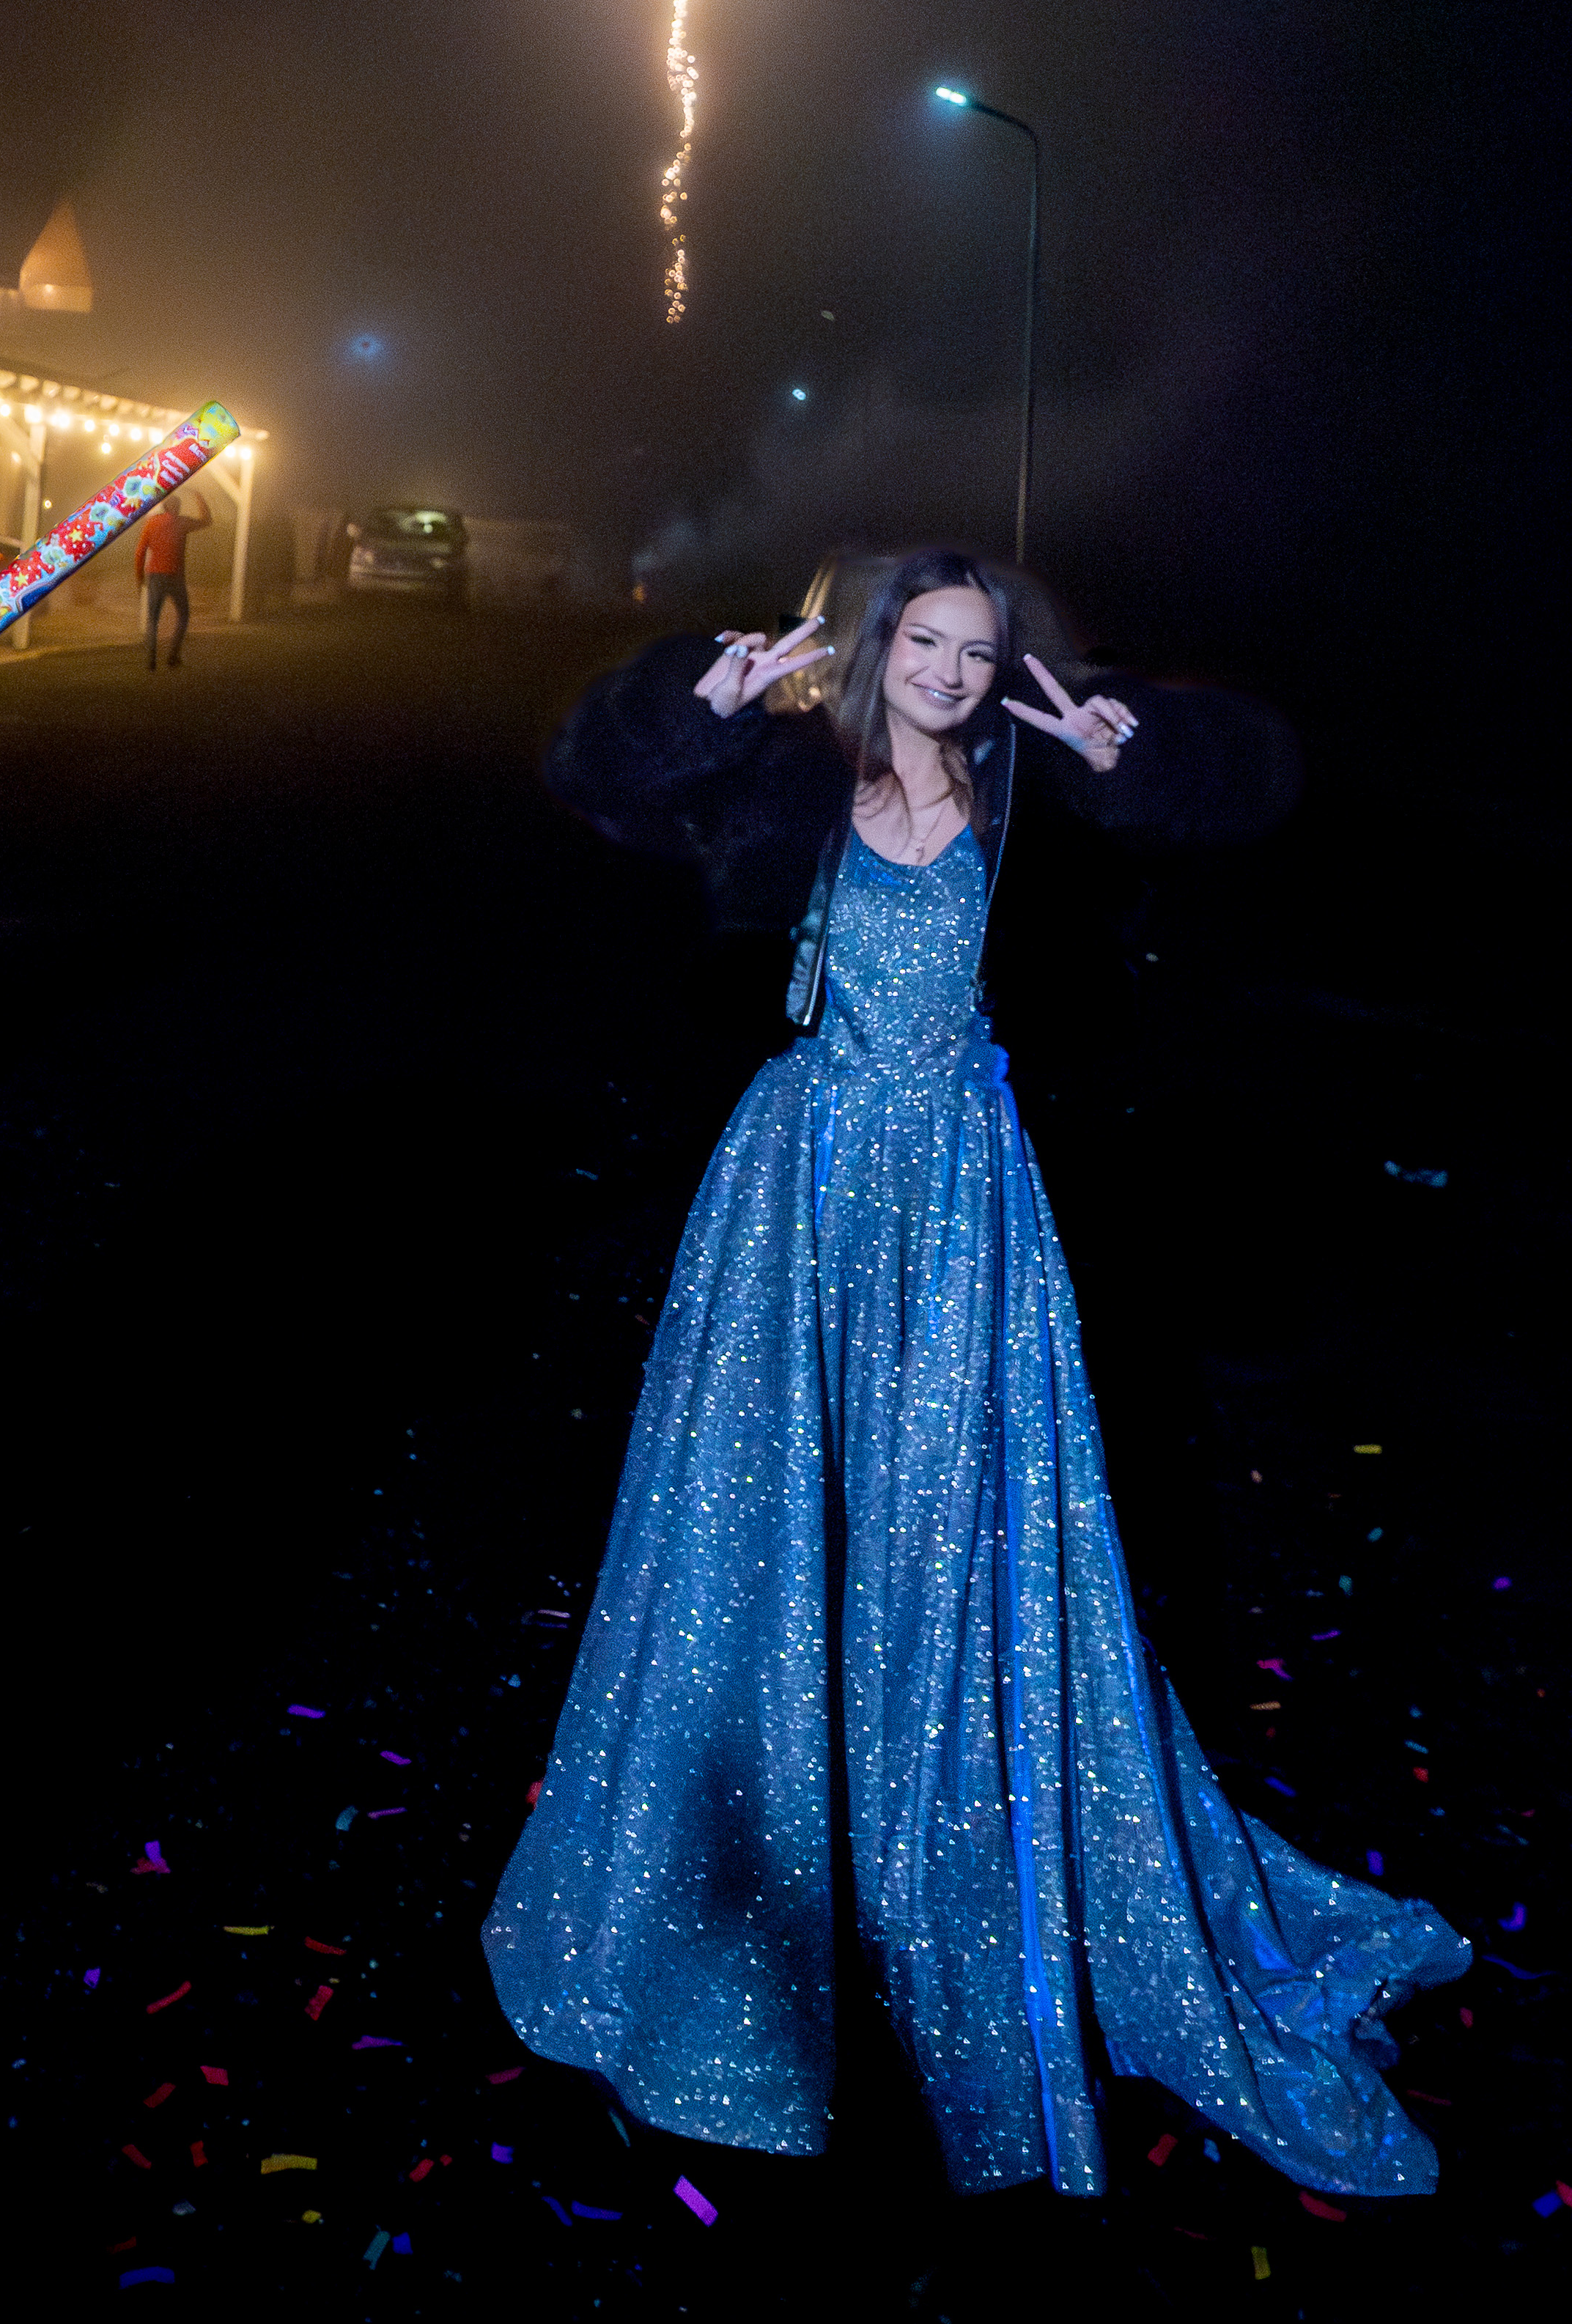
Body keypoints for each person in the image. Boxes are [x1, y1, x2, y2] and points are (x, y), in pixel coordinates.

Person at [484, 550, 1469, 2210]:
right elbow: (604, 787)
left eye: (977, 649)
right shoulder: (781, 780)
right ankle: (777, 1838)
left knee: (955, 1519)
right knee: (769, 1524)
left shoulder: (1041, 802)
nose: (948, 669)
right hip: (797, 1197)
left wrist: (1131, 760)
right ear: (877, 648)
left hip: (964, 1208)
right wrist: (687, 713)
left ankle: (938, 1811)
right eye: (924, 640)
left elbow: (1247, 800)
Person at [134, 488, 213, 668]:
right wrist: (199, 495)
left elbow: (140, 552)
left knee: (153, 619)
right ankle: (173, 656)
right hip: (175, 576)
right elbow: (207, 521)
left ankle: (151, 660)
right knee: (184, 615)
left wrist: (139, 578)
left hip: (155, 576)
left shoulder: (151, 523)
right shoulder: (181, 522)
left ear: (164, 507)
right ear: (177, 507)